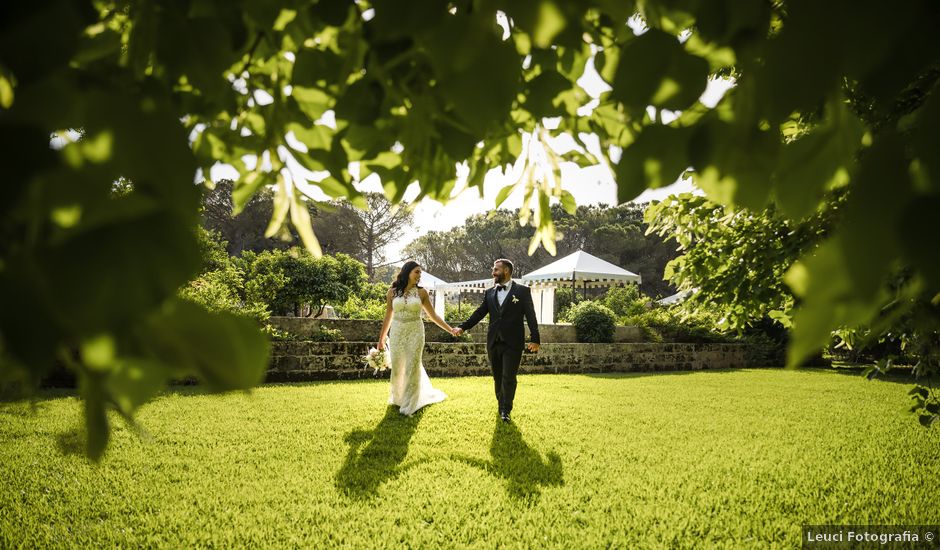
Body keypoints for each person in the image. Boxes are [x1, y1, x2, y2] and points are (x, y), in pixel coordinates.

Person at [453, 259, 540, 422]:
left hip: (513, 342)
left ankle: (505, 410)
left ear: (506, 271)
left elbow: (531, 316)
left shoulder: (522, 291)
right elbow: (479, 313)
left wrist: (535, 339)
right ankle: (501, 404)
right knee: (498, 377)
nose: (493, 273)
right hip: (493, 341)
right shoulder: (490, 293)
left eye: (496, 270)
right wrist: (462, 327)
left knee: (509, 377)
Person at [378, 261, 452, 416]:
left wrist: (450, 330)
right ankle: (399, 398)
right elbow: (388, 316)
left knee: (412, 366)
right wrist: (381, 339)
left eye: (420, 273)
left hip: (415, 332)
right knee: (398, 367)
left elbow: (433, 316)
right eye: (417, 272)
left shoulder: (422, 293)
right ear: (407, 272)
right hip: (397, 331)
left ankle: (410, 404)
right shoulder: (392, 292)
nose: (419, 275)